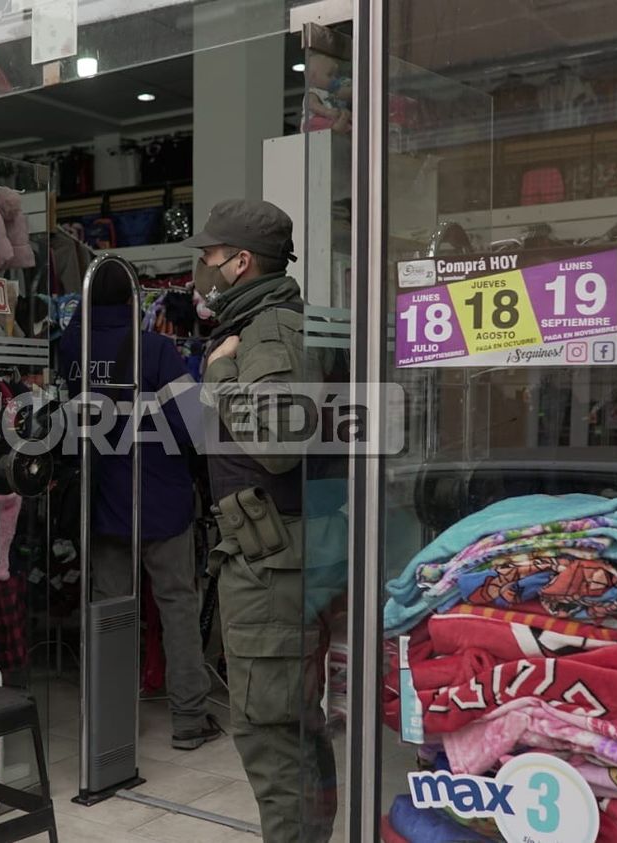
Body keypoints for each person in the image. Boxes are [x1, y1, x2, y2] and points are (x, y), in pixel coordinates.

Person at [183, 200, 336, 842]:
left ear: (242, 262)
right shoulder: (261, 325)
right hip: (274, 553)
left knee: (271, 735)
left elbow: (278, 441)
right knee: (287, 729)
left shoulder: (270, 331)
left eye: (210, 258)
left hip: (275, 562)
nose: (202, 270)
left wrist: (217, 374)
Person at [57, 261, 222, 751]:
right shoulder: (155, 350)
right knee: (177, 606)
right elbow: (192, 423)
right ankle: (189, 720)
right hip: (160, 500)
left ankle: (110, 723)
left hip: (102, 505)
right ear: (133, 299)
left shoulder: (71, 348)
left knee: (110, 613)